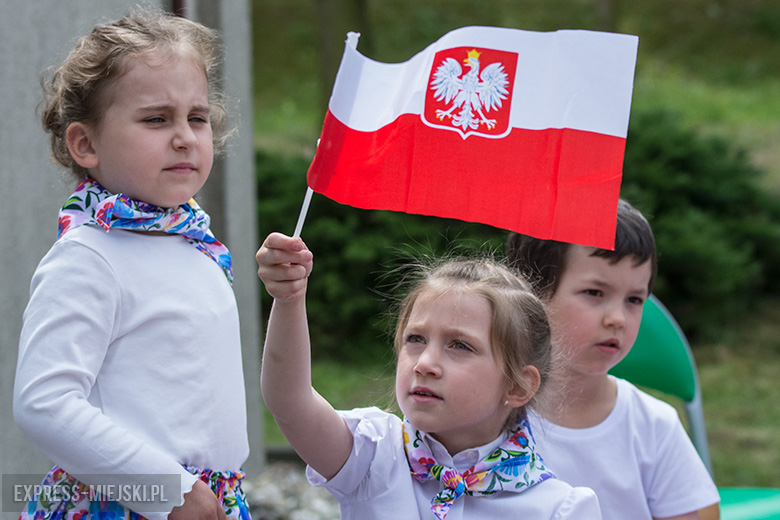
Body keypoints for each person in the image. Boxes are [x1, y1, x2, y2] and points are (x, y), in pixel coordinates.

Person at [14, 8, 250, 520]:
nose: (184, 136)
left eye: (197, 117)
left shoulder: (195, 244)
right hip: (128, 503)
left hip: (206, 501)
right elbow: (44, 401)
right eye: (156, 119)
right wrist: (167, 490)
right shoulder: (88, 257)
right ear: (86, 143)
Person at [256, 231, 602, 519]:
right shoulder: (374, 453)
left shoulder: (559, 509)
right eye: (416, 339)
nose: (425, 363)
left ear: (518, 385)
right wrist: (289, 299)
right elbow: (290, 402)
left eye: (460, 346)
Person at [505, 198, 720, 520]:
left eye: (634, 299)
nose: (618, 318)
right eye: (595, 293)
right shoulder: (481, 417)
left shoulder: (653, 427)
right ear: (527, 296)